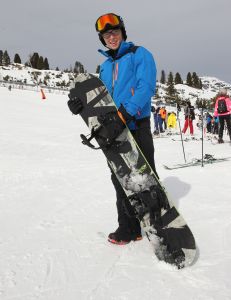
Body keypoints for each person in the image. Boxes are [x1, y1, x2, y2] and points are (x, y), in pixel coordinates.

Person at [67, 13, 158, 245]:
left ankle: (158, 226)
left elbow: (145, 87)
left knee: (144, 178)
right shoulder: (106, 66)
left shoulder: (140, 54)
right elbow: (101, 99)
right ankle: (129, 228)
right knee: (119, 179)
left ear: (122, 32)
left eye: (115, 31)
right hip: (113, 128)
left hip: (136, 125)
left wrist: (126, 113)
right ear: (102, 39)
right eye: (106, 34)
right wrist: (81, 105)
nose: (111, 36)